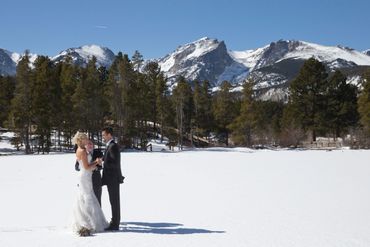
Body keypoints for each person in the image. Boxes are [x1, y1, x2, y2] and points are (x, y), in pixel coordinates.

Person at [71, 132, 108, 236]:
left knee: (84, 197)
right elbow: (87, 167)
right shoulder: (82, 151)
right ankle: (89, 221)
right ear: (81, 140)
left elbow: (85, 166)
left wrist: (95, 164)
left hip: (85, 176)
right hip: (85, 177)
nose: (87, 140)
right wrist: (96, 162)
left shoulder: (78, 149)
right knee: (88, 197)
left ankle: (84, 220)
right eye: (85, 139)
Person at [97, 127, 124, 231]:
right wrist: (102, 159)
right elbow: (109, 159)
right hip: (110, 178)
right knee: (113, 200)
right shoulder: (110, 145)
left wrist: (103, 163)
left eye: (104, 135)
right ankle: (115, 221)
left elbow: (114, 163)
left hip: (113, 178)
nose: (102, 137)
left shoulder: (113, 146)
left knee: (114, 201)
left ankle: (115, 223)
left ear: (109, 135)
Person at [75, 140, 103, 206]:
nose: (90, 145)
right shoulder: (82, 153)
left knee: (97, 200)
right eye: (88, 144)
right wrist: (84, 169)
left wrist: (95, 168)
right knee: (85, 200)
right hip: (85, 180)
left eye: (91, 144)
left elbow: (100, 166)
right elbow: (76, 167)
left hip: (96, 180)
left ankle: (97, 216)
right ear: (85, 145)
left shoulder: (98, 153)